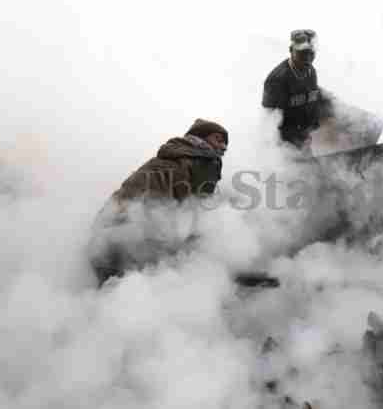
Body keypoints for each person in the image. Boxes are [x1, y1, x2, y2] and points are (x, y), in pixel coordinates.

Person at [89, 118, 228, 283]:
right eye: (217, 139)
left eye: (225, 143)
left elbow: (185, 218)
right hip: (118, 247)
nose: (223, 146)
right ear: (198, 139)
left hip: (131, 248)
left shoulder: (187, 173)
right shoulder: (168, 168)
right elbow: (143, 210)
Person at [262, 29, 333, 150]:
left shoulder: (310, 70)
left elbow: (312, 94)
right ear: (291, 50)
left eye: (311, 53)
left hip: (305, 139)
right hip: (286, 146)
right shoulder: (277, 79)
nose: (308, 58)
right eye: (303, 53)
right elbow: (268, 119)